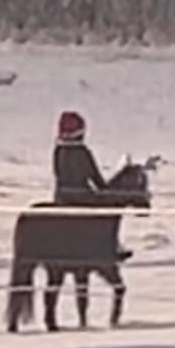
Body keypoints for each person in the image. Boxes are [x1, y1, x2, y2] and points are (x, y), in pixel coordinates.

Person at [53, 110, 131, 258]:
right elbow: (96, 179)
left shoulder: (58, 151)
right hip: (82, 197)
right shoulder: (82, 152)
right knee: (110, 211)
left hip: (62, 196)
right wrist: (107, 190)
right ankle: (113, 244)